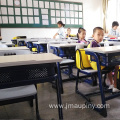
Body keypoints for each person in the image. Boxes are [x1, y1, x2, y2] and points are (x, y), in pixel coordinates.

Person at [88, 27, 119, 92]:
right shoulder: (93, 43)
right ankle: (114, 85)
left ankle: (111, 83)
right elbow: (96, 57)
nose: (100, 37)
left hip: (97, 63)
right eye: (98, 35)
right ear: (93, 35)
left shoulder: (96, 43)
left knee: (113, 65)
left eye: (102, 35)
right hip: (97, 64)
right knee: (116, 66)